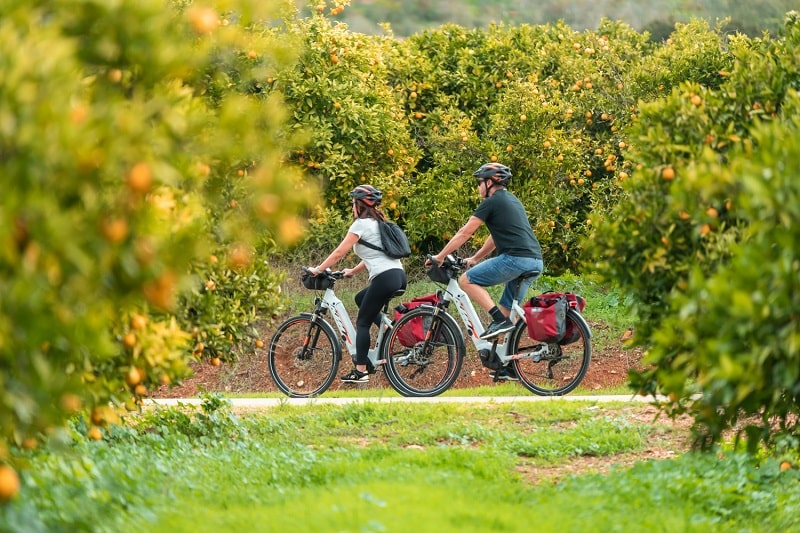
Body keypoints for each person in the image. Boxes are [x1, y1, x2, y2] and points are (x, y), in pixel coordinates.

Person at [426, 163, 543, 379]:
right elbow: (494, 237)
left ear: (489, 182)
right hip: (534, 261)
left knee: (466, 280)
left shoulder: (491, 202)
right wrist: (475, 258)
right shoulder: (512, 201)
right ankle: (508, 365)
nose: (478, 187)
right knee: (508, 310)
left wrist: (440, 256)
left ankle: (498, 319)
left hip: (515, 259)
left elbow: (465, 232)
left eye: (480, 182)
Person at [307, 185, 407, 383]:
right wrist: (352, 271)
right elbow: (375, 254)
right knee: (360, 298)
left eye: (353, 203)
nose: (352, 207)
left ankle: (361, 371)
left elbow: (338, 253)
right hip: (398, 275)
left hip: (384, 277)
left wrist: (318, 269)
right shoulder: (379, 223)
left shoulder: (360, 225)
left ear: (359, 205)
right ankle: (386, 329)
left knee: (362, 322)